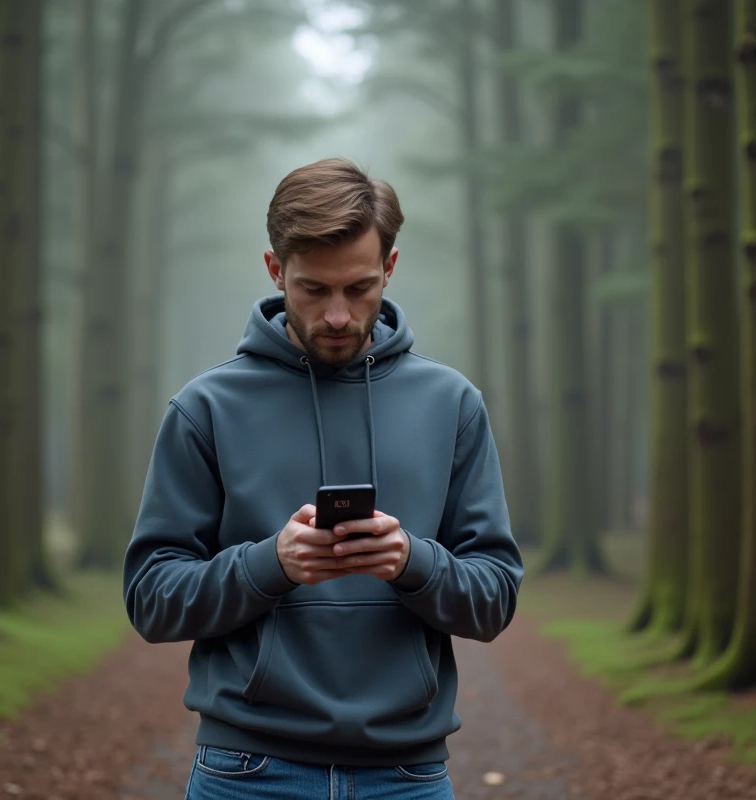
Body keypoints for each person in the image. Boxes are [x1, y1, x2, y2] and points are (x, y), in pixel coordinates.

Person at [122, 157, 524, 799]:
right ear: (276, 269)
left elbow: (495, 597)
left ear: (390, 268)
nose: (337, 315)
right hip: (247, 773)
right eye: (314, 290)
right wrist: (268, 565)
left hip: (407, 776)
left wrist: (412, 561)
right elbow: (150, 598)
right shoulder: (206, 409)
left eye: (360, 288)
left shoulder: (451, 404)